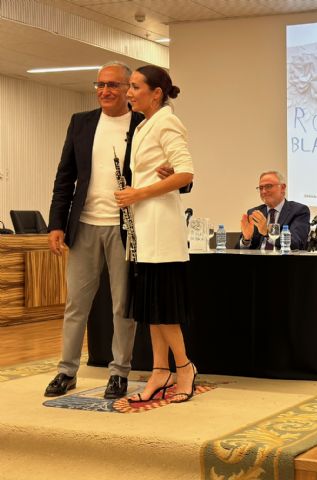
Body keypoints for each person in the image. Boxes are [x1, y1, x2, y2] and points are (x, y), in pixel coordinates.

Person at [45, 61, 141, 399]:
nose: (105, 91)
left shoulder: (143, 123)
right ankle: (66, 371)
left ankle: (119, 372)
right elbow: (65, 177)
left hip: (125, 228)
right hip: (83, 225)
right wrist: (56, 223)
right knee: (76, 304)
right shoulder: (81, 123)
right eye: (100, 84)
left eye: (113, 85)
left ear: (129, 89)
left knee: (122, 305)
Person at [114, 65, 196, 404]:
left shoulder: (167, 121)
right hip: (143, 229)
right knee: (150, 307)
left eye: (134, 87)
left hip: (162, 228)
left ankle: (185, 367)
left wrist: (139, 192)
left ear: (156, 93)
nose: (128, 93)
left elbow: (187, 173)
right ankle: (159, 371)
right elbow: (168, 171)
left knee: (165, 308)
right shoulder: (145, 124)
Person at [238, 171, 310, 250]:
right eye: (261, 188)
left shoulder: (299, 211)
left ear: (283, 188)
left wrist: (267, 232)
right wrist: (246, 239)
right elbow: (238, 251)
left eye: (268, 186)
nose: (264, 191)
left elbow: (296, 244)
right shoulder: (254, 212)